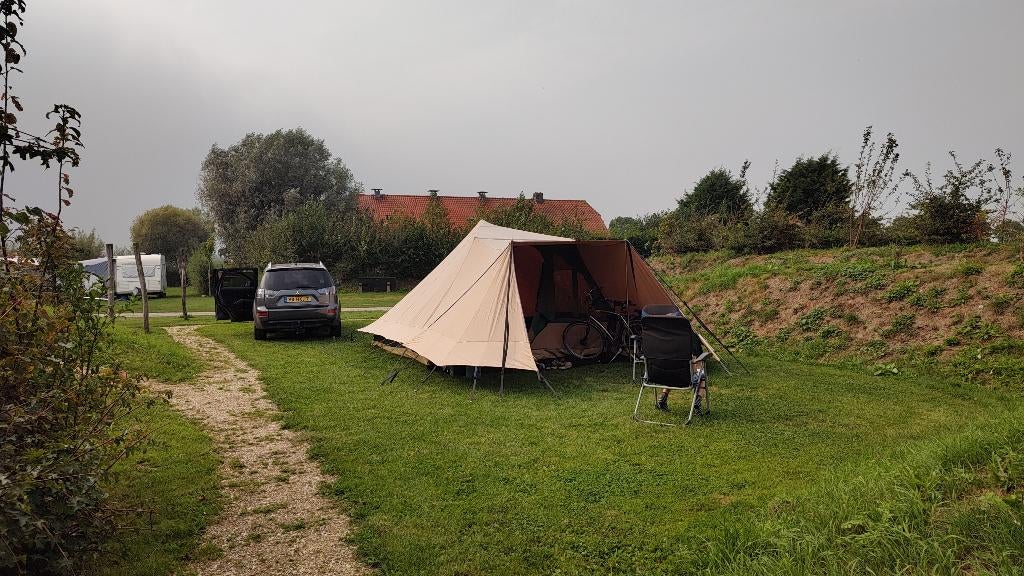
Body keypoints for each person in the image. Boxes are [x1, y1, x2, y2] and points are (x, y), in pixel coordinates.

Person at [655, 317, 706, 411]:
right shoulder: (691, 336)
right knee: (701, 376)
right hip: (685, 377)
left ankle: (663, 396)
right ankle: (697, 400)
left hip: (658, 375)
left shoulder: (658, 337)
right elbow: (697, 357)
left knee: (670, 371)